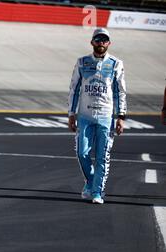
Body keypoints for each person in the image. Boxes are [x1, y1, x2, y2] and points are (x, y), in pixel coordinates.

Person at [67, 28, 127, 204]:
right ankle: (92, 182)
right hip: (85, 116)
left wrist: (121, 117)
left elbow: (120, 91)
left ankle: (97, 193)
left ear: (109, 43)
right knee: (81, 152)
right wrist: (71, 114)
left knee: (102, 156)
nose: (101, 42)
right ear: (92, 42)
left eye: (104, 40)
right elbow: (74, 89)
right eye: (97, 39)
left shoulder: (116, 64)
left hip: (106, 117)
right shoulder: (82, 62)